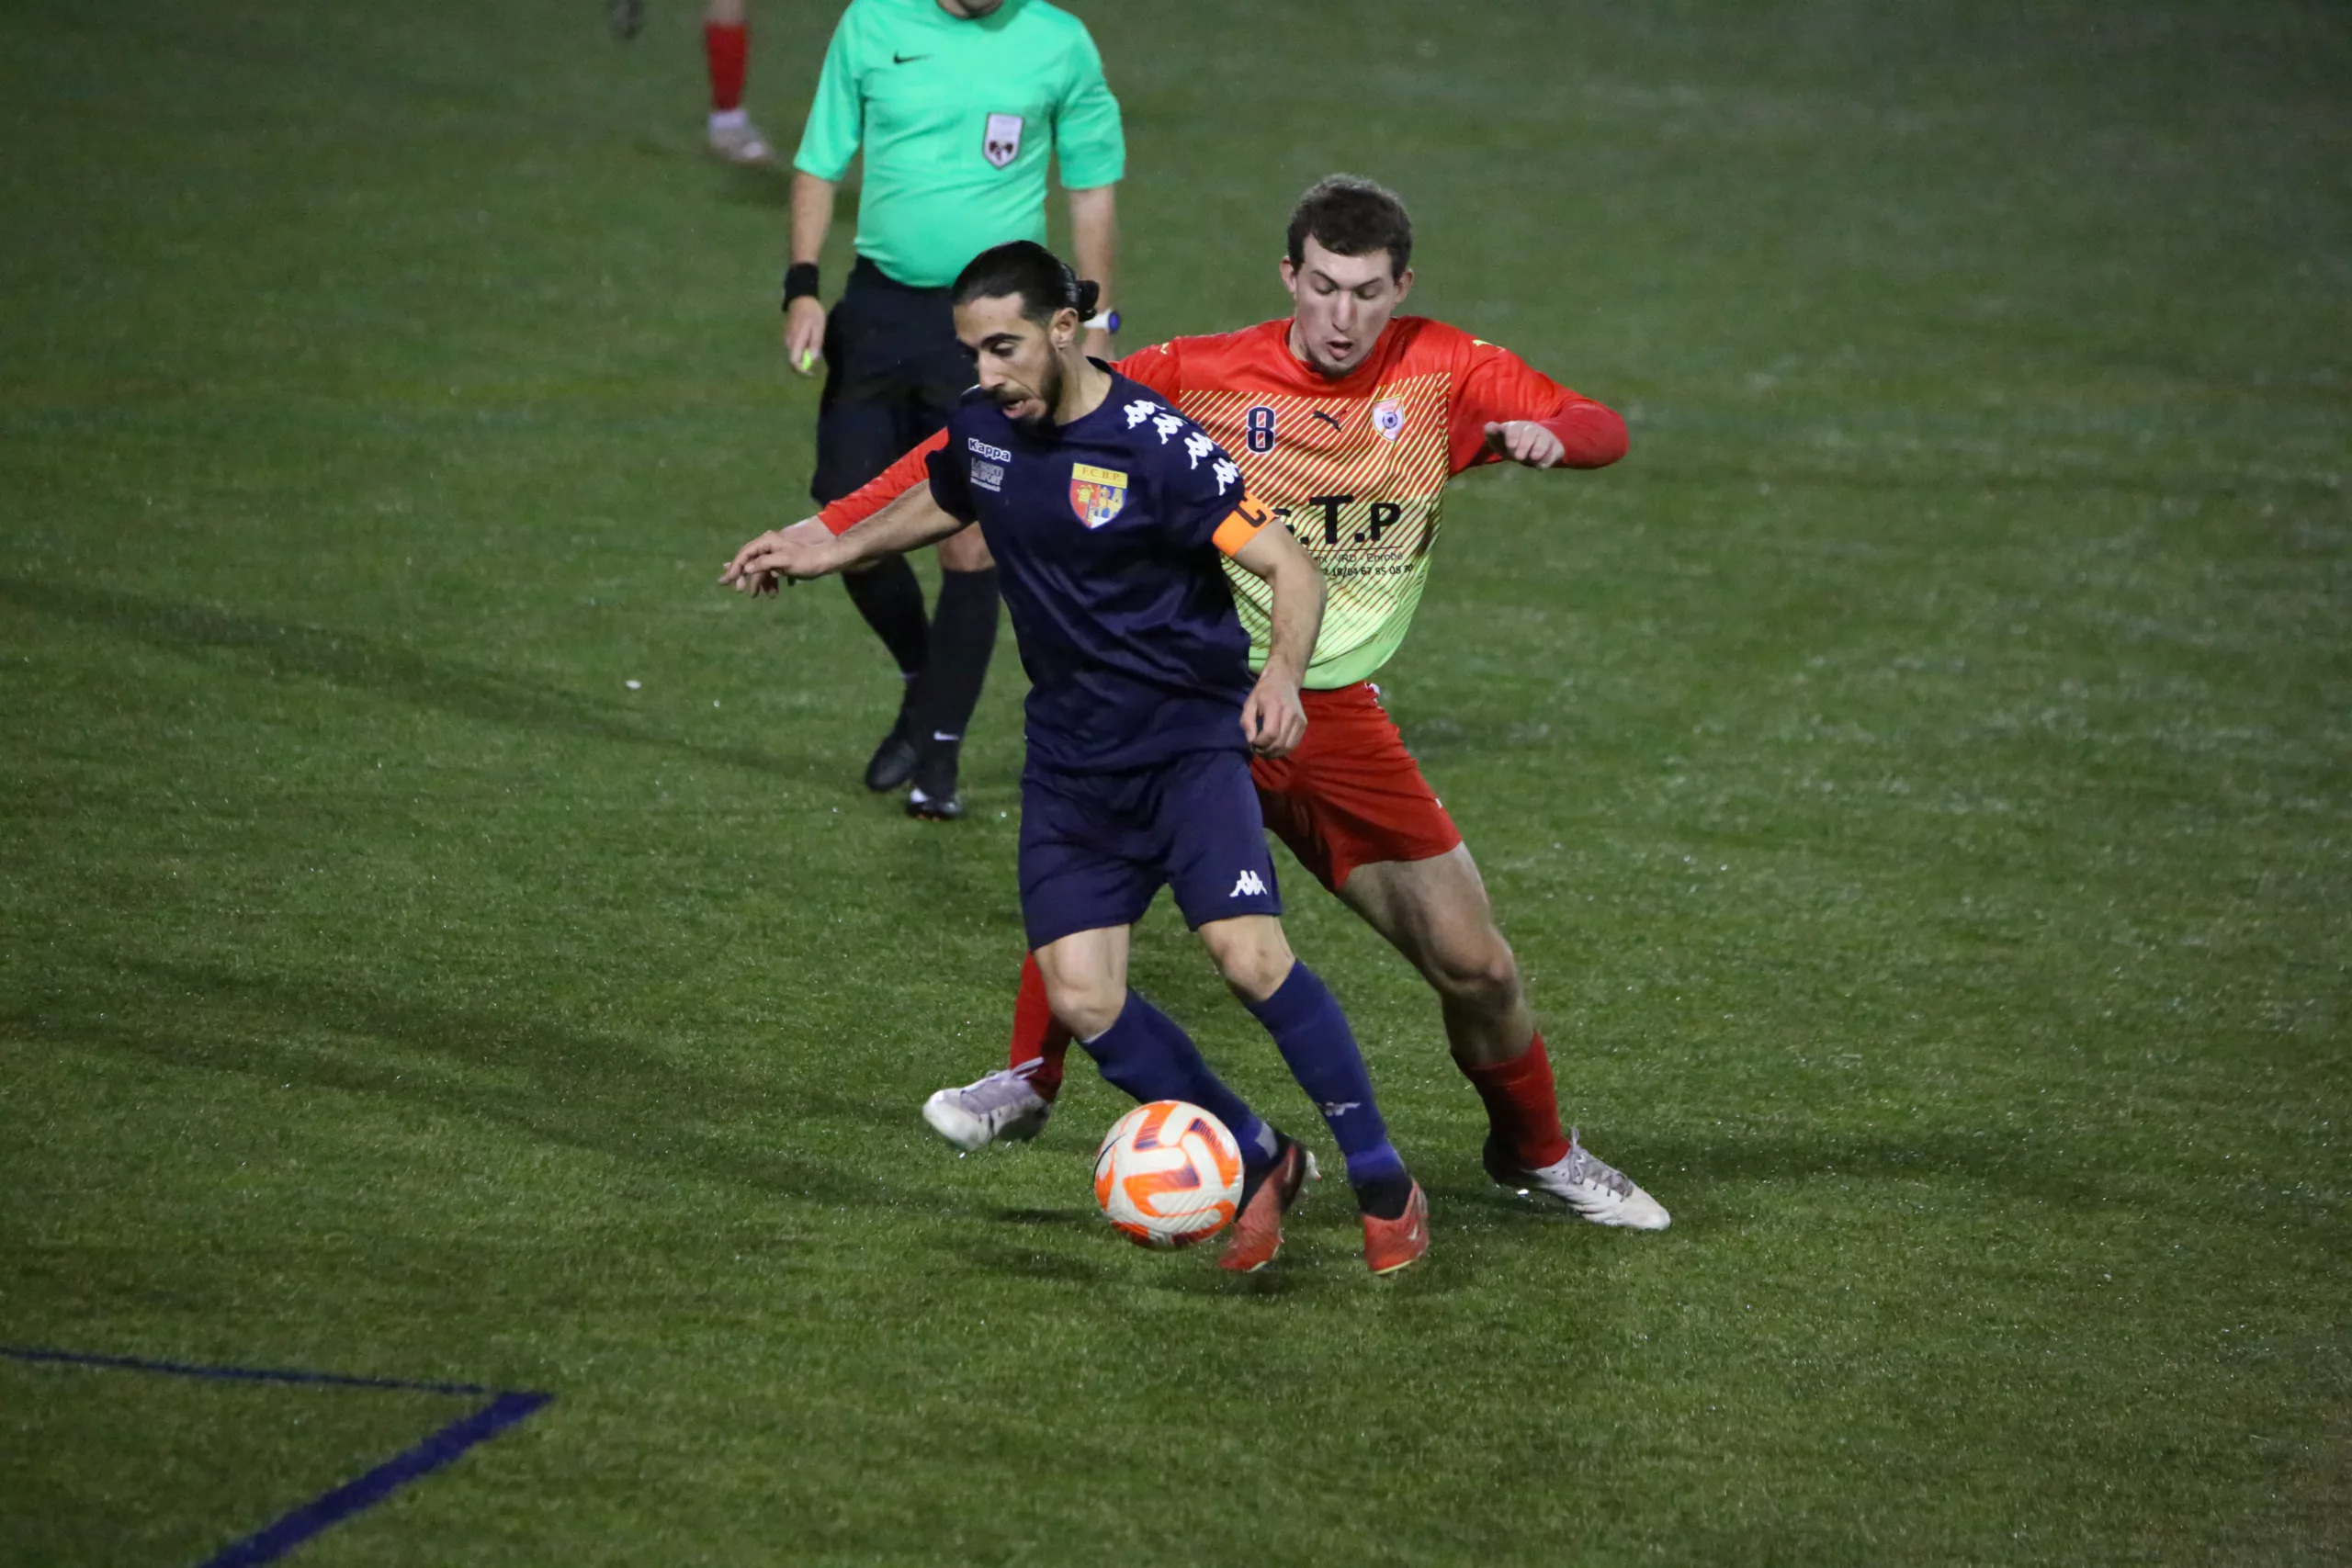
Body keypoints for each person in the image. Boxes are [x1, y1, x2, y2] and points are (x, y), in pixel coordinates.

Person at [823, 175, 1670, 1229]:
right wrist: (827, 534)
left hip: (1326, 715)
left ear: (1400, 288)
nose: (1342, 317)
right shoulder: (1201, 372)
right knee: (1088, 889)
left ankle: (1535, 1151)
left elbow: (1597, 424)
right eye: (1321, 287)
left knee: (1477, 966)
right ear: (1289, 277)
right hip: (1183, 695)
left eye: (1366, 293)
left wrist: (1550, 440)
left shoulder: (1449, 371)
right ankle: (1029, 1083)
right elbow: (978, 445)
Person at [724, 243, 1430, 1275]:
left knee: (1248, 956)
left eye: (1005, 347)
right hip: (1069, 760)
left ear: (1065, 328)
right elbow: (951, 489)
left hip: (1186, 745)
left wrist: (1280, 677)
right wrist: (831, 545)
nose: (987, 372)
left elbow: (1288, 566)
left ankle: (1380, 1178)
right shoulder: (986, 424)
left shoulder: (1155, 446)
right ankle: (1260, 1154)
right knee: (1085, 999)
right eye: (972, 352)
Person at [780, 0, 1124, 819]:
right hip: (879, 310)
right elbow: (818, 161)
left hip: (995, 328)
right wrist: (802, 287)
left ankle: (939, 756)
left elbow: (1091, 190)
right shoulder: (873, 23)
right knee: (844, 520)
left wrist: (1099, 325)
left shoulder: (1058, 42)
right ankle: (926, 678)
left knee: (971, 546)